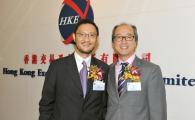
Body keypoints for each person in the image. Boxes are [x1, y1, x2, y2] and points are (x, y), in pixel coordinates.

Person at [39, 19, 109, 120]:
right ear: (74, 37)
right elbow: (46, 105)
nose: (87, 39)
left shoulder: (103, 68)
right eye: (82, 34)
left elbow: (104, 105)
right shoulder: (57, 67)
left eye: (91, 35)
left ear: (96, 39)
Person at [106, 23, 167, 120]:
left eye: (129, 37)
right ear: (113, 43)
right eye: (119, 37)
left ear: (135, 42)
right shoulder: (107, 70)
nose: (123, 41)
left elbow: (158, 112)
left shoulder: (151, 71)